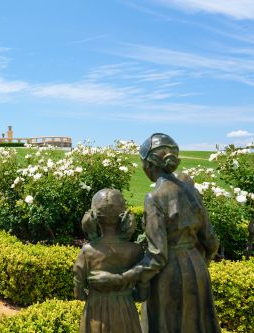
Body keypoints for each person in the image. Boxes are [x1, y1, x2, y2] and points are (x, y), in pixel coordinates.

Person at [88, 133, 221, 333]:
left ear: (150, 164)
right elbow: (211, 241)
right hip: (197, 269)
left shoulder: (154, 197)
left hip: (168, 275)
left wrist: (122, 278)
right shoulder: (192, 191)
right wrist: (200, 264)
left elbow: (157, 255)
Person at [74, 188, 145, 333]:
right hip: (125, 310)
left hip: (95, 309)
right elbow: (143, 293)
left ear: (93, 217)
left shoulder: (88, 251)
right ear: (124, 216)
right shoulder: (136, 251)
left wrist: (90, 295)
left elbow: (78, 290)